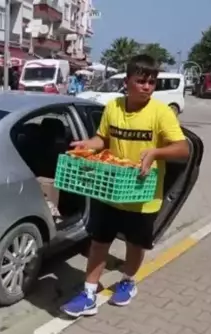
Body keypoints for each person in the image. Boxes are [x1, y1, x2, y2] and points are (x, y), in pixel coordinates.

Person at [61, 54, 190, 318]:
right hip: (111, 188)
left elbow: (183, 149)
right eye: (141, 81)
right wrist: (87, 144)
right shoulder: (114, 108)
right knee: (99, 242)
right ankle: (88, 293)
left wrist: (155, 153)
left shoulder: (161, 112)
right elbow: (102, 139)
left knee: (135, 243)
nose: (147, 87)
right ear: (127, 81)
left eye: (151, 82)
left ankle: (128, 281)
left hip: (143, 193)